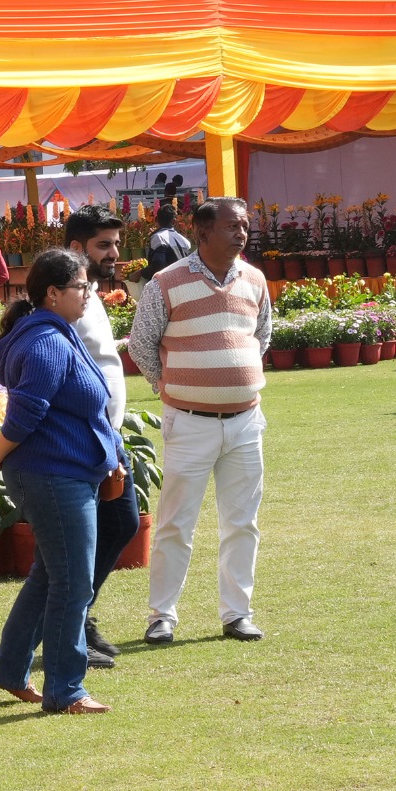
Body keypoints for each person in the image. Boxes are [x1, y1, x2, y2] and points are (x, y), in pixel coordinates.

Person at [0, 249, 127, 714]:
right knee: (73, 584)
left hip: (65, 473)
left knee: (51, 576)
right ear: (53, 293)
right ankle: (66, 689)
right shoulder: (47, 341)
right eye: (82, 286)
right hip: (52, 477)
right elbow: (26, 412)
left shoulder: (59, 332)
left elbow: (88, 408)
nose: (89, 294)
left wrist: (113, 457)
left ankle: (9, 668)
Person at [127, 197, 271, 645]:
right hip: (189, 422)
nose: (241, 233)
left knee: (242, 523)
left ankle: (237, 614)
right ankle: (162, 616)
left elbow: (261, 335)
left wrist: (235, 375)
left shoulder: (255, 279)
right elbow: (141, 343)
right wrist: (168, 386)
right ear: (202, 232)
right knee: (175, 523)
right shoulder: (166, 282)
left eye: (244, 225)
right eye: (232, 226)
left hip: (245, 422)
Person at [60, 204, 137, 670]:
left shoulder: (89, 292)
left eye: (115, 244)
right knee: (82, 539)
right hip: (81, 436)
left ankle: (79, 619)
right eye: (103, 245)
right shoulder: (63, 299)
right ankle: (70, 631)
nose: (114, 253)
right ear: (76, 247)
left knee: (121, 523)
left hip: (106, 434)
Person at [143, 204, 195, 280]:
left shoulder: (158, 238)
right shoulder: (185, 241)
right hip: (185, 282)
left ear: (156, 219)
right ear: (174, 221)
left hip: (167, 283)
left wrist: (140, 273)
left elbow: (158, 264)